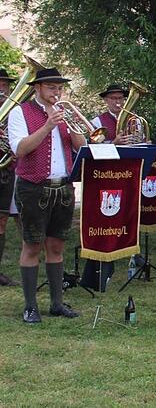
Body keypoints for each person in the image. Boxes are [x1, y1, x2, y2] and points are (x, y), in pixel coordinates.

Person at [8, 67, 87, 323]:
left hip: (63, 187)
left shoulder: (65, 113)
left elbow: (82, 146)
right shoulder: (21, 112)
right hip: (32, 187)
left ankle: (56, 303)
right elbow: (20, 149)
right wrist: (47, 125)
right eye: (52, 87)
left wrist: (71, 124)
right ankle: (30, 306)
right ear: (37, 88)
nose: (57, 92)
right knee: (32, 245)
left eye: (59, 88)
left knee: (56, 246)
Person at [0, 69, 19, 286]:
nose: (1, 89)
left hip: (5, 170)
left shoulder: (14, 112)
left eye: (4, 85)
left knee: (2, 220)